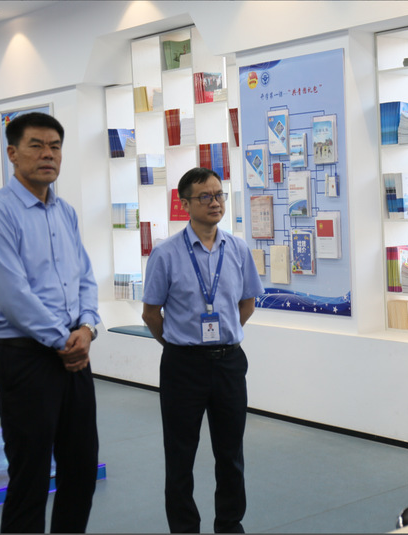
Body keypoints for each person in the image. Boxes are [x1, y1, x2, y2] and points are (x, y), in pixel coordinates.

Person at [0, 112, 100, 533]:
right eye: (36, 145)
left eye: (55, 147)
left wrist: (88, 328)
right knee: (29, 476)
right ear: (12, 153)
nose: (48, 154)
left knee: (81, 469)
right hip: (27, 359)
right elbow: (13, 295)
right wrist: (65, 341)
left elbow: (84, 277)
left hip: (75, 355)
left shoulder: (65, 212)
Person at [142, 167, 264, 533]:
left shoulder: (238, 249)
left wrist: (224, 337)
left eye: (219, 195)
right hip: (183, 366)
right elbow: (151, 313)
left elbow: (247, 303)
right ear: (185, 204)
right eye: (205, 197)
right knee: (180, 456)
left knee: (231, 454)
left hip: (229, 363)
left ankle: (229, 524)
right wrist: (176, 345)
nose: (215, 203)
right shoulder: (165, 253)